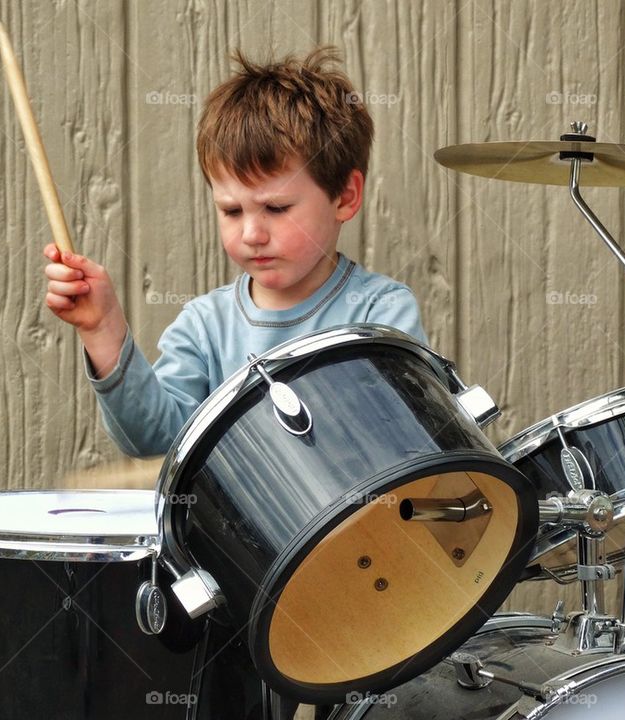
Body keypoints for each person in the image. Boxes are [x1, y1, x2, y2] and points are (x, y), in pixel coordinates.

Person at [42, 47, 427, 718]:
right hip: (235, 589)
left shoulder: (381, 313)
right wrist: (103, 330)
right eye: (230, 210)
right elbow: (154, 438)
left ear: (346, 196)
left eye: (276, 207)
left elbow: (398, 451)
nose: (251, 233)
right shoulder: (206, 324)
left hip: (363, 580)